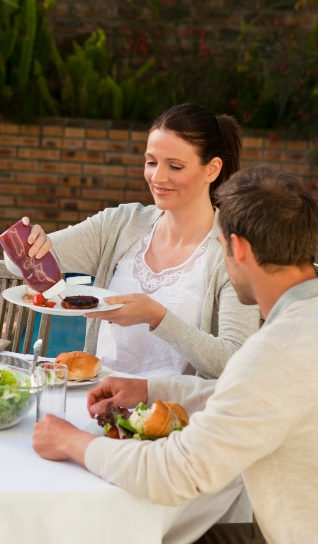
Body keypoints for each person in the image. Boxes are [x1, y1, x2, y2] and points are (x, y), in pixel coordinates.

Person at [33, 165, 318, 544]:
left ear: (239, 248)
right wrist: (152, 389)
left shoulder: (276, 350)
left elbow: (173, 473)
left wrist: (72, 443)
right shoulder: (299, 329)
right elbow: (252, 393)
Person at [15, 103, 260, 379]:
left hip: (172, 413)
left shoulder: (233, 251)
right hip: (98, 400)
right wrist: (28, 242)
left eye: (175, 166)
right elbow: (17, 264)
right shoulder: (121, 224)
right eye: (151, 162)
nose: (157, 177)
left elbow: (236, 360)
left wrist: (157, 317)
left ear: (212, 169)